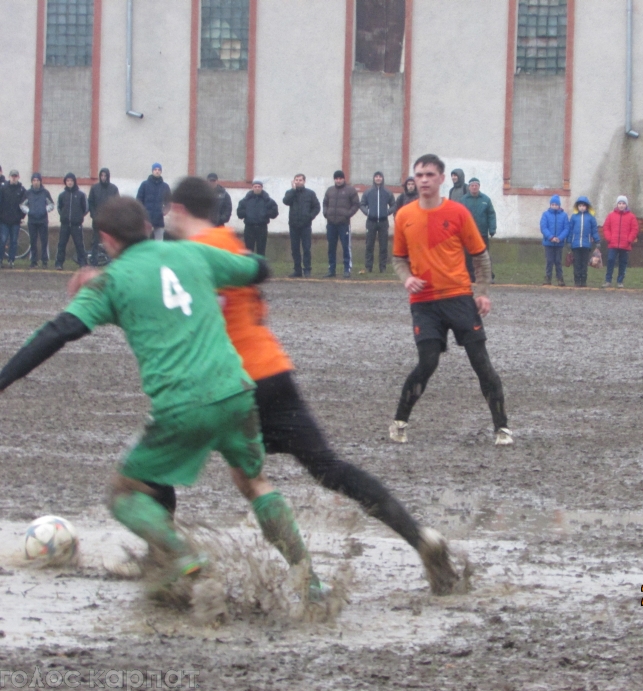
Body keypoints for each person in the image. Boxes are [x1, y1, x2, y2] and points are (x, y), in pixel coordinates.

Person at [100, 176, 455, 595]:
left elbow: (149, 290)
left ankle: (166, 558)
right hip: (273, 370)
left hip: (225, 384)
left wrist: (99, 280)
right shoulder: (231, 241)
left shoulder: (186, 254)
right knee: (329, 468)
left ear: (177, 211)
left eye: (167, 212)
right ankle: (420, 538)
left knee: (155, 471)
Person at [0, 197, 321, 597]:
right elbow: (260, 268)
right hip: (237, 391)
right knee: (255, 481)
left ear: (105, 238)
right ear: (147, 224)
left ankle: (182, 554)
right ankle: (311, 582)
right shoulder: (191, 253)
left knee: (124, 492)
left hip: (181, 406)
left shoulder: (110, 281)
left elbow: (56, 333)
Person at [389, 154, 512, 447]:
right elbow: (398, 259)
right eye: (419, 175)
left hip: (459, 298)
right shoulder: (405, 216)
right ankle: (399, 422)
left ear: (442, 179)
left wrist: (481, 291)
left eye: (430, 174)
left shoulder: (458, 213)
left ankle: (502, 428)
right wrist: (406, 278)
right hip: (424, 303)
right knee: (427, 362)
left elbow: (480, 256)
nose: (424, 180)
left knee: (481, 363)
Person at [322, 170, 359, 278]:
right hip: (331, 224)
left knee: (346, 247)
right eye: (336, 178)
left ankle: (347, 269)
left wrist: (347, 214)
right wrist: (326, 213)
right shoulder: (330, 190)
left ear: (343, 179)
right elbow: (325, 203)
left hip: (344, 224)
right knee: (331, 247)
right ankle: (331, 269)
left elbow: (356, 204)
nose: (338, 180)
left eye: (340, 178)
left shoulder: (350, 190)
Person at [282, 174, 320, 278]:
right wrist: (293, 190)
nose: (298, 182)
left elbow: (316, 207)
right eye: (296, 180)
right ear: (293, 181)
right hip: (293, 225)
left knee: (306, 248)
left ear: (304, 181)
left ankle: (307, 270)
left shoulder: (310, 194)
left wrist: (310, 217)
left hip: (306, 226)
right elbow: (285, 201)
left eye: (300, 180)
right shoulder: (290, 193)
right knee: (295, 249)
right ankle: (297, 270)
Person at [460, 178, 497, 283]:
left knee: (484, 256)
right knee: (468, 257)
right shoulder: (463, 200)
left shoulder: (486, 199)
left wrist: (492, 228)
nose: (474, 187)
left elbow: (491, 215)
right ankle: (470, 277)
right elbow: (460, 216)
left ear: (479, 186)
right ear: (469, 187)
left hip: (482, 233)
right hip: (468, 234)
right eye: (472, 185)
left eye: (476, 185)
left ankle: (487, 277)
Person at [360, 171, 396, 274]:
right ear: (374, 178)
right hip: (371, 222)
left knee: (383, 246)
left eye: (380, 177)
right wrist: (368, 212)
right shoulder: (368, 192)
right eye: (376, 177)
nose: (378, 178)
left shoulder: (388, 192)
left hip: (383, 222)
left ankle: (383, 268)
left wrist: (387, 212)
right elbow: (362, 204)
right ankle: (368, 267)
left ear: (382, 178)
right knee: (369, 245)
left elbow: (394, 205)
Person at [601, 195, 639, 288]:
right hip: (613, 244)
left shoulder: (631, 217)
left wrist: (629, 239)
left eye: (623, 203)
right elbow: (606, 228)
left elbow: (634, 229)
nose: (621, 205)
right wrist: (609, 238)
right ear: (617, 204)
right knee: (610, 261)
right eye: (620, 203)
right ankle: (608, 280)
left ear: (626, 205)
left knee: (623, 263)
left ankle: (620, 281)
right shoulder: (611, 215)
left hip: (625, 244)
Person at [236, 180, 279, 256]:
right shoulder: (246, 200)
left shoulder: (267, 200)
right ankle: (249, 266)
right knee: (248, 250)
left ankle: (260, 266)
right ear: (252, 187)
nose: (257, 188)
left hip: (262, 227)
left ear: (262, 188)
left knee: (261, 249)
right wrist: (247, 213)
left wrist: (265, 213)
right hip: (249, 227)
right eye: (255, 187)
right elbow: (239, 213)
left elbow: (274, 212)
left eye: (259, 187)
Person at [88, 168, 120, 266]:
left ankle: (110, 261)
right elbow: (90, 203)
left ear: (108, 176)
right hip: (97, 220)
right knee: (95, 241)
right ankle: (94, 261)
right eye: (101, 175)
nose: (103, 177)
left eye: (105, 176)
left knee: (110, 241)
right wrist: (94, 215)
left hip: (109, 221)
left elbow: (117, 203)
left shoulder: (113, 189)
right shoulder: (95, 188)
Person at [56, 173, 88, 270]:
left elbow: (85, 208)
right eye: (68, 181)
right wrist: (64, 216)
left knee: (79, 244)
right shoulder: (62, 195)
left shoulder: (81, 195)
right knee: (61, 244)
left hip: (76, 224)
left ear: (74, 182)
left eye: (71, 181)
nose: (69, 183)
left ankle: (82, 263)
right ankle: (59, 263)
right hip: (65, 224)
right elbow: (59, 208)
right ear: (65, 182)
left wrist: (79, 217)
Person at [568, 196, 599, 288]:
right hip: (576, 244)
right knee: (577, 263)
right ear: (577, 207)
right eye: (580, 206)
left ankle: (583, 280)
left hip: (586, 244)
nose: (582, 207)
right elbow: (570, 230)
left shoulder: (591, 218)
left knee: (584, 263)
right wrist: (569, 241)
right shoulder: (574, 217)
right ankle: (577, 280)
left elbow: (594, 230)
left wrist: (597, 240)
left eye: (583, 206)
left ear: (587, 207)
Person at [24, 173, 54, 268]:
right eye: (34, 180)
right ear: (32, 182)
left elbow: (51, 204)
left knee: (44, 241)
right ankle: (33, 261)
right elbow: (22, 205)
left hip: (43, 220)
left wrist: (44, 210)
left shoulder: (45, 192)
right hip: (32, 221)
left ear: (40, 181)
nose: (36, 182)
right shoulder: (28, 193)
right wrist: (29, 211)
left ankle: (44, 261)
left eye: (37, 180)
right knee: (33, 241)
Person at [136, 163, 171, 240]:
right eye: (155, 169)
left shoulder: (165, 186)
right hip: (146, 220)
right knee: (145, 242)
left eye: (159, 170)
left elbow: (169, 202)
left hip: (159, 220)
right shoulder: (144, 185)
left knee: (159, 243)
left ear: (161, 171)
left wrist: (164, 212)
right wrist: (142, 214)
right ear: (152, 171)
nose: (157, 171)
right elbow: (138, 201)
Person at [0, 169, 26, 268]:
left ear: (18, 177)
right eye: (12, 176)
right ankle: (0, 259)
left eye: (15, 176)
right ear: (9, 177)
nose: (14, 178)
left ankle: (11, 260)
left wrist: (21, 217)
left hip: (16, 221)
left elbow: (24, 205)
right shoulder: (3, 188)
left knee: (14, 241)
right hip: (4, 220)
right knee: (2, 240)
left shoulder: (22, 190)